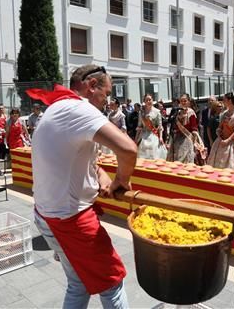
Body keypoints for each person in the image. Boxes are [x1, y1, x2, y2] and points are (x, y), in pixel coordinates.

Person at [30, 64, 137, 309]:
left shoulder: (57, 107)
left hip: (46, 215)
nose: (106, 101)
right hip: (70, 219)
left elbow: (72, 156)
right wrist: (121, 180)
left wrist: (101, 175)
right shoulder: (80, 109)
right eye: (106, 94)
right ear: (91, 86)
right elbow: (129, 149)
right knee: (111, 283)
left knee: (78, 282)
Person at [207, 92, 234, 170]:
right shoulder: (224, 114)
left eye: (224, 100)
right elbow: (220, 127)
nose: (223, 101)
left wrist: (228, 140)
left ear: (230, 101)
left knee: (231, 165)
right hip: (222, 140)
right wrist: (219, 134)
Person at [166, 93, 203, 164]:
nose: (183, 102)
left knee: (186, 159)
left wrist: (194, 140)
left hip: (187, 138)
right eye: (181, 101)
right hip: (177, 138)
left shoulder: (191, 112)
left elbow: (194, 128)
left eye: (185, 101)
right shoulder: (177, 112)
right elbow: (173, 125)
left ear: (188, 102)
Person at [135, 94, 166, 160]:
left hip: (154, 135)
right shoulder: (141, 112)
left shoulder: (157, 112)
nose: (149, 101)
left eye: (150, 100)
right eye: (147, 100)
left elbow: (160, 126)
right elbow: (139, 126)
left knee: (154, 152)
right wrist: (136, 138)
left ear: (152, 100)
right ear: (144, 101)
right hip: (143, 135)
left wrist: (160, 137)